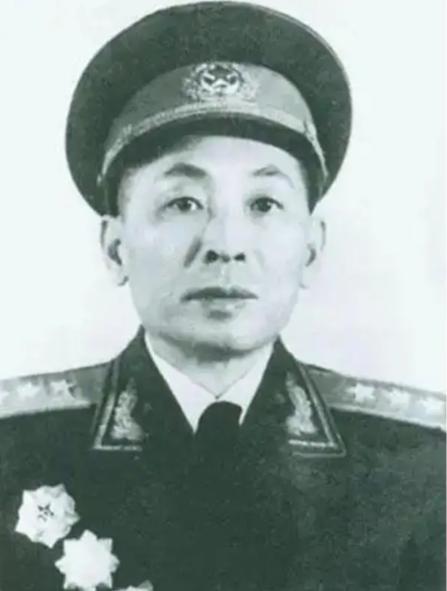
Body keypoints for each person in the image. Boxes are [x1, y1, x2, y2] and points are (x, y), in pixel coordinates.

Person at [0, 3, 444, 591]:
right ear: (115, 248)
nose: (226, 244)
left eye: (264, 204)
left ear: (312, 249)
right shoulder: (15, 451)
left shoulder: (419, 468)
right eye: (183, 202)